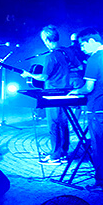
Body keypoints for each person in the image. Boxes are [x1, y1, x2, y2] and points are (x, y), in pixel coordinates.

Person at [69, 28, 103, 193]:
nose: (82, 48)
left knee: (98, 146)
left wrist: (75, 91)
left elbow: (88, 88)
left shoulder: (94, 59)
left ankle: (101, 183)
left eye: (83, 44)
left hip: (98, 109)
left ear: (91, 41)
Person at [22, 25, 73, 165]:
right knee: (64, 124)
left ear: (46, 39)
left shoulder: (50, 57)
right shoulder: (66, 52)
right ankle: (63, 152)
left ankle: (55, 156)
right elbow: (79, 66)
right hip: (66, 93)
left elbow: (44, 77)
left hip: (52, 95)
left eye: (43, 39)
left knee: (54, 125)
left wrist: (29, 74)